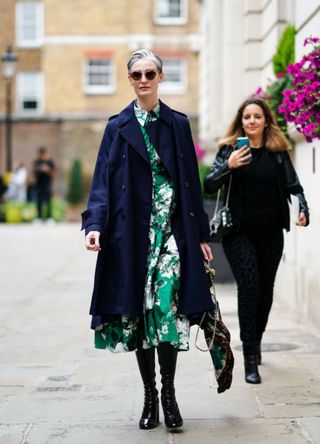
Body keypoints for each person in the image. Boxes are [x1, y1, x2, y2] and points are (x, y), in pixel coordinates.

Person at [82, 49, 214, 430]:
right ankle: (149, 396)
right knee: (140, 316)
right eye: (136, 74)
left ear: (161, 76)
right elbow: (102, 182)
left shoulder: (177, 124)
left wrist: (200, 234)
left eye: (150, 73)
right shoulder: (117, 126)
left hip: (172, 234)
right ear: (130, 79)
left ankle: (170, 395)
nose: (143, 80)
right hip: (132, 237)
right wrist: (95, 225)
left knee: (167, 313)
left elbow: (191, 180)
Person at [204, 97, 309, 384]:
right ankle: (250, 358)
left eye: (257, 117)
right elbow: (209, 185)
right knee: (249, 288)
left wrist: (304, 209)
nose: (251, 121)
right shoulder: (230, 150)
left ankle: (257, 341)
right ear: (241, 122)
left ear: (265, 121)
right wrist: (229, 165)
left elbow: (294, 185)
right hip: (238, 233)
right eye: (247, 117)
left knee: (265, 292)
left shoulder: (277, 152)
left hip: (271, 233)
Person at [33, 147, 55, 221]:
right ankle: (39, 218)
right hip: (39, 185)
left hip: (47, 184)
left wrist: (47, 170)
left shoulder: (49, 162)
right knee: (38, 202)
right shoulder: (36, 162)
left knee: (48, 201)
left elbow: (53, 172)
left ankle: (49, 217)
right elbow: (34, 172)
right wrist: (40, 169)